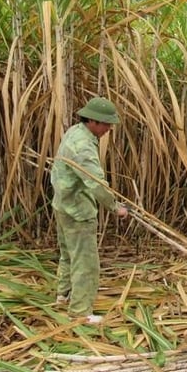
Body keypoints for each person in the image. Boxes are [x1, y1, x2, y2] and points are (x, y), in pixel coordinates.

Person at [50, 97, 128, 324]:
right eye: (106, 124)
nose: (108, 129)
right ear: (93, 121)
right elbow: (95, 182)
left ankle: (63, 295)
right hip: (77, 211)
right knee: (85, 262)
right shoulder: (83, 146)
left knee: (68, 255)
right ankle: (81, 312)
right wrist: (116, 208)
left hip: (62, 205)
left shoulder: (75, 132)